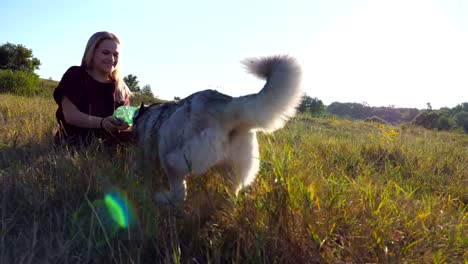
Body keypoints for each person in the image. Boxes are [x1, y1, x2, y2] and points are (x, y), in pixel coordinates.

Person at [53, 31, 133, 146]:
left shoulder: (120, 86)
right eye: (105, 53)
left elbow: (125, 121)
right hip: (74, 143)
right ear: (92, 52)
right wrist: (102, 123)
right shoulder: (75, 75)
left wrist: (125, 124)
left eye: (116, 55)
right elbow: (71, 116)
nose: (111, 58)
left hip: (111, 145)